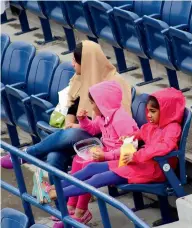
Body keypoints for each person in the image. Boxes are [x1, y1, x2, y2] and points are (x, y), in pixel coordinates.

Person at [37, 87, 186, 227]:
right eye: (148, 111)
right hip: (138, 163)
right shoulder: (153, 125)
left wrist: (137, 156)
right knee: (92, 167)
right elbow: (140, 133)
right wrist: (128, 137)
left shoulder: (172, 128)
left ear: (166, 111)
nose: (148, 115)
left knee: (98, 179)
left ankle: (56, 194)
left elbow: (163, 147)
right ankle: (55, 188)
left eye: (153, 111)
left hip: (153, 169)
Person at [1, 41, 132, 185]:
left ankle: (27, 153)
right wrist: (70, 123)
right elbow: (73, 105)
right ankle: (62, 202)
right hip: (81, 133)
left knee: (72, 134)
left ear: (88, 63)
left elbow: (117, 120)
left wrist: (77, 127)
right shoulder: (80, 78)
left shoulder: (115, 82)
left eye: (76, 61)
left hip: (105, 139)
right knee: (53, 157)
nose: (72, 65)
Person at [36, 80, 138, 225]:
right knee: (78, 160)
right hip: (106, 153)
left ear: (104, 103)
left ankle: (81, 210)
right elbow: (92, 129)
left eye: (93, 102)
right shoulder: (103, 116)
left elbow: (130, 148)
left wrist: (106, 155)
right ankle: (71, 206)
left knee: (89, 165)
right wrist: (82, 120)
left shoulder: (122, 119)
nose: (92, 105)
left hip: (119, 159)